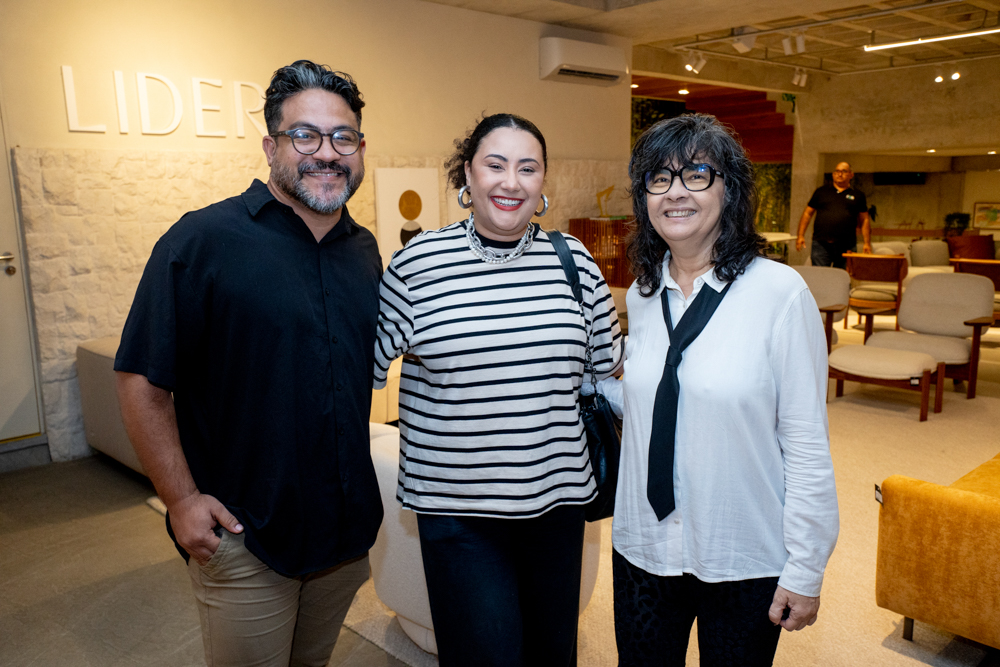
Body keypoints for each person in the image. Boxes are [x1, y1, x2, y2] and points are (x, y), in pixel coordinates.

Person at [114, 60, 383, 667]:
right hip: (245, 540)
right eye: (304, 135)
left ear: (361, 149)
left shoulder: (363, 251)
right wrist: (182, 502)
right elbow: (140, 378)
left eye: (343, 137)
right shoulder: (202, 242)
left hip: (343, 540)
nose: (326, 153)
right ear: (271, 145)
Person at [373, 113, 623, 666]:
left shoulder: (574, 260)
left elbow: (608, 363)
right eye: (496, 164)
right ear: (468, 174)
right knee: (486, 655)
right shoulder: (417, 265)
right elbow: (362, 367)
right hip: (458, 512)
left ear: (542, 185)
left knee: (552, 653)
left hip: (556, 504)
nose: (512, 181)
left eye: (528, 168)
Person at [606, 114, 839, 666]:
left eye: (697, 174)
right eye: (659, 179)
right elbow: (656, 399)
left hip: (741, 553)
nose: (675, 193)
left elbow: (805, 443)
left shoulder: (779, 294)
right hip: (644, 548)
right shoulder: (642, 295)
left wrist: (806, 567)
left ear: (729, 189)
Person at [795, 161, 871, 268]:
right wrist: (800, 235)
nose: (840, 174)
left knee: (842, 279)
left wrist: (866, 243)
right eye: (837, 171)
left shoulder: (858, 195)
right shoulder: (821, 192)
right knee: (820, 277)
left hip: (847, 246)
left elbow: (865, 220)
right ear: (833, 174)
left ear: (851, 174)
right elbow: (807, 214)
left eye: (844, 171)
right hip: (821, 244)